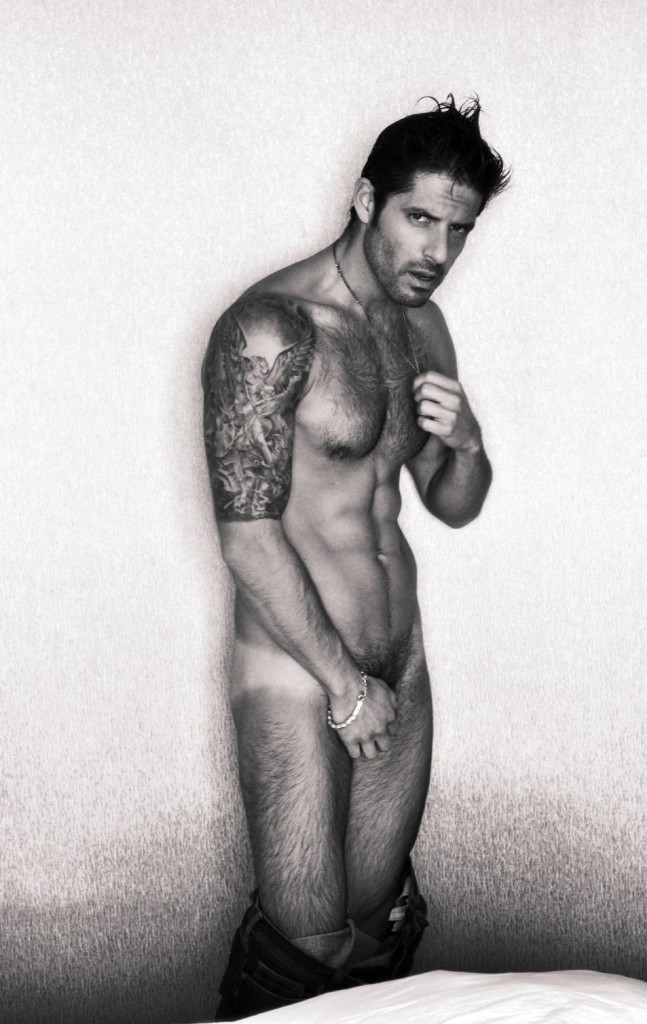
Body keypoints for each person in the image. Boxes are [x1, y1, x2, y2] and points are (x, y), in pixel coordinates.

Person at [202, 94, 509, 1020]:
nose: (437, 251)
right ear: (367, 199)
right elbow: (246, 534)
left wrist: (467, 443)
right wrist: (342, 687)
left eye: (457, 230)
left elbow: (452, 505)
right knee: (306, 953)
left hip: (398, 660)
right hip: (301, 674)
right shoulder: (269, 330)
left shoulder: (420, 327)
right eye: (420, 219)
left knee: (374, 935)